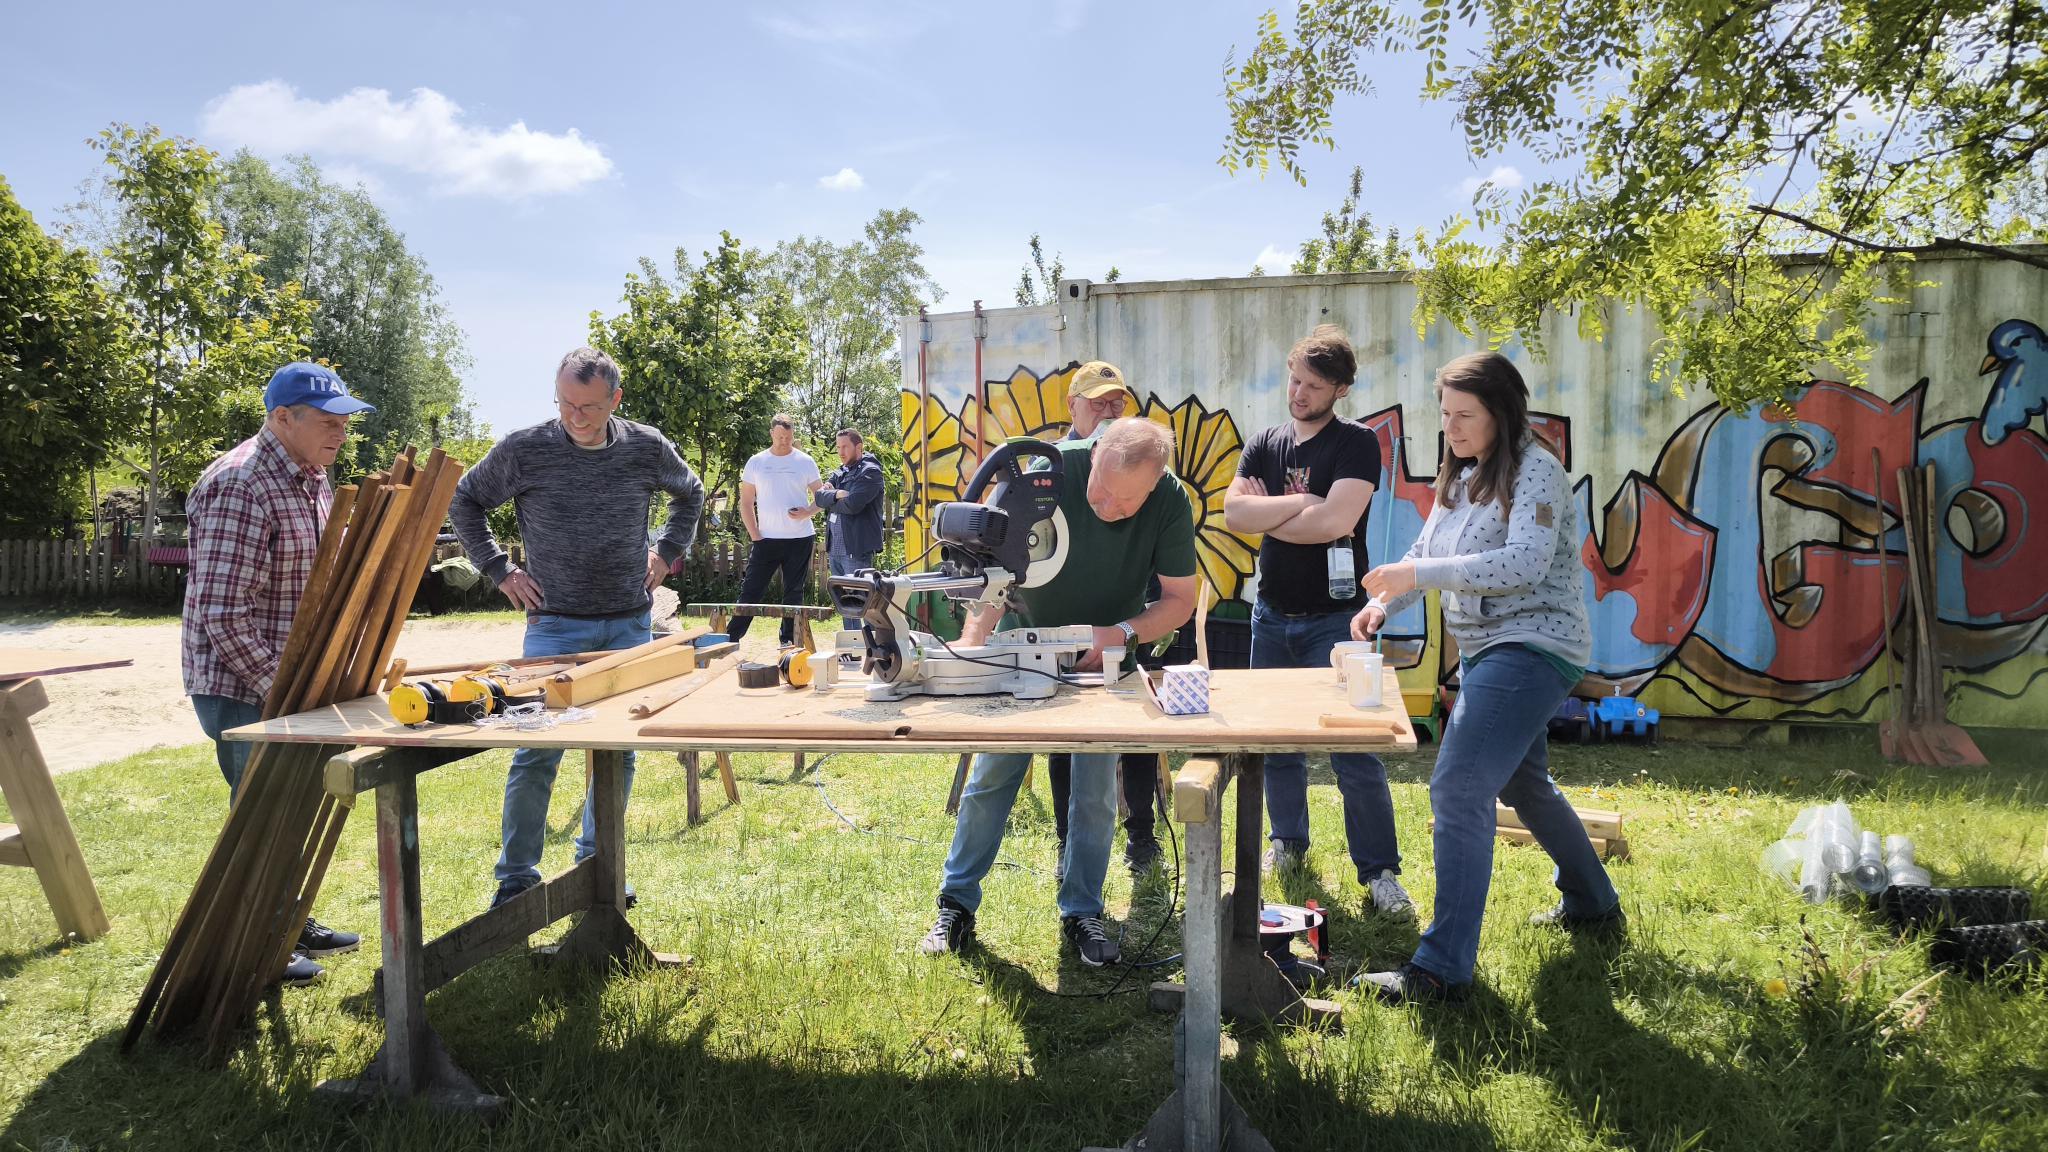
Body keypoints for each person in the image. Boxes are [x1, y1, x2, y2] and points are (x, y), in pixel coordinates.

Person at [1350, 351, 1619, 1003]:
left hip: (1533, 646)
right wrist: (1384, 602)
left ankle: (1441, 971)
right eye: (1444, 413)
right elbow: (1426, 557)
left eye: (1465, 415)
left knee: (1458, 787)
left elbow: (1523, 563)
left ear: (1502, 412)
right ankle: (1593, 903)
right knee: (1525, 785)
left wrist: (1416, 578)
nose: (1452, 427)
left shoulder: (1538, 471)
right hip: (1489, 652)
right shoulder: (1462, 477)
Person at [919, 418, 1198, 967]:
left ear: (1154, 484)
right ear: (1092, 458)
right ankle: (955, 905)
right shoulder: (1044, 471)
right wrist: (973, 653)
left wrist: (1120, 633)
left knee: (1094, 791)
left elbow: (1178, 600)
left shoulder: (1169, 499)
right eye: (1101, 493)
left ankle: (1082, 911)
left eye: (1126, 503)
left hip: (1104, 656)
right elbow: (992, 575)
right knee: (993, 776)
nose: (1109, 509)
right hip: (1021, 648)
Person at [450, 347, 704, 909]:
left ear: (615, 400)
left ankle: (599, 863)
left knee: (618, 750)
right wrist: (499, 569)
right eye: (565, 402)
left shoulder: (645, 446)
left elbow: (691, 493)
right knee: (537, 750)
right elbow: (464, 499)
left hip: (628, 624)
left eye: (588, 406)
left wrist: (666, 551)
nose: (575, 416)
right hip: (555, 627)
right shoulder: (526, 449)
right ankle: (516, 879)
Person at [182, 362, 373, 986]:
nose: (341, 431)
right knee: (260, 811)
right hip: (244, 683)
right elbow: (221, 612)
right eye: (327, 420)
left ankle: (289, 918)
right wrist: (280, 688)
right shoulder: (242, 483)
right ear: (280, 417)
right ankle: (254, 943)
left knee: (296, 800)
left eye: (345, 420)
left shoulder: (311, 478)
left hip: (288, 682)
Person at [1223, 326, 1412, 918]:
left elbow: (1335, 522)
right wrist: (1300, 505)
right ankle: (1287, 841)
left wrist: (1273, 514)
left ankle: (1380, 873)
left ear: (1341, 389)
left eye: (1313, 385)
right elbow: (1234, 513)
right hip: (1271, 614)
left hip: (1339, 622)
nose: (1298, 393)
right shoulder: (1265, 442)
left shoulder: (1356, 444)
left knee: (1356, 749)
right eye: (1294, 379)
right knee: (1278, 743)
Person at [1047, 362, 1164, 876]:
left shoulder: (1141, 468)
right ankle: (1067, 843)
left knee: (1136, 736)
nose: (1109, 410)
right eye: (1097, 402)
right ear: (1071, 405)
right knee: (1062, 742)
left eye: (1117, 402)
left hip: (1121, 630)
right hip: (1059, 635)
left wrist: (1140, 622)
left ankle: (1142, 837)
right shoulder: (1048, 468)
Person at [729, 414, 821, 646]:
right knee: (751, 591)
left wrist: (808, 512)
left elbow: (822, 497)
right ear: (771, 434)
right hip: (765, 539)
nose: (784, 442)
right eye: (780, 437)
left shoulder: (805, 461)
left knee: (794, 592)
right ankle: (730, 639)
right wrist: (755, 536)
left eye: (788, 438)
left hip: (800, 537)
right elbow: (746, 502)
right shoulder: (756, 462)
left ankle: (788, 640)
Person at [813, 428, 886, 630]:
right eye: (838, 447)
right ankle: (851, 647)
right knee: (845, 604)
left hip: (855, 549)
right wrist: (837, 495)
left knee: (863, 603)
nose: (841, 451)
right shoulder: (842, 470)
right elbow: (819, 497)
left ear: (859, 447)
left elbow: (853, 505)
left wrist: (831, 499)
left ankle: (874, 647)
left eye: (845, 446)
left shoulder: (870, 472)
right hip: (835, 549)